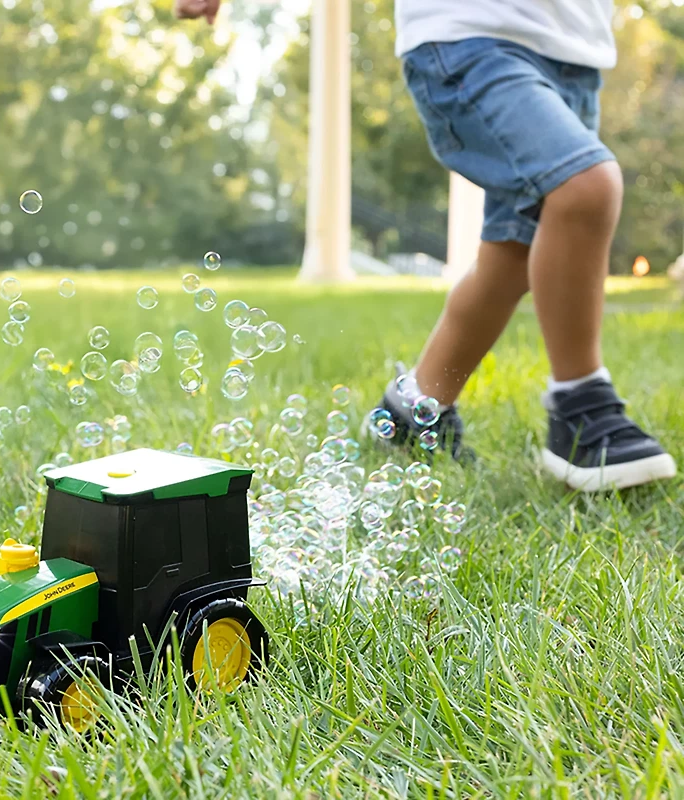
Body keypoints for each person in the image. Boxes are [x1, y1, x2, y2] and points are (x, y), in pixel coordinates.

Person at [174, 0, 677, 492]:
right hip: (469, 36)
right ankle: (582, 406)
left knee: (514, 255)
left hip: (576, 52)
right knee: (585, 184)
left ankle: (416, 406)